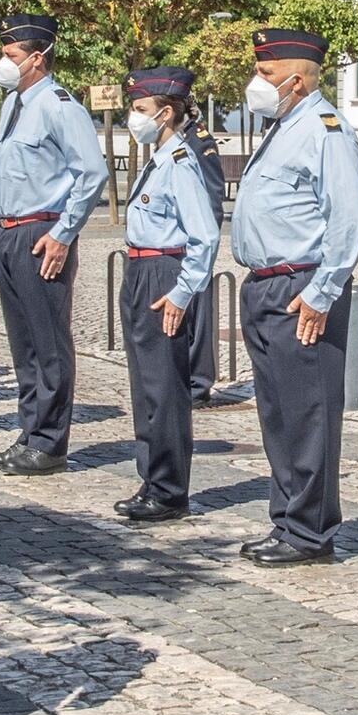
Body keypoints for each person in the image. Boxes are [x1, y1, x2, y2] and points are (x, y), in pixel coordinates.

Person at [229, 27, 358, 566]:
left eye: (264, 74)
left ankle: (310, 531)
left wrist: (323, 292)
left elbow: (350, 217)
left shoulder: (324, 129)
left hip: (300, 287)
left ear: (296, 77)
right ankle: (287, 519)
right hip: (265, 284)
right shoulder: (284, 126)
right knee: (278, 413)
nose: (255, 83)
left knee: (309, 413)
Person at [0, 14, 109, 474]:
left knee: (48, 341)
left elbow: (92, 173)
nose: (3, 63)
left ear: (37, 58)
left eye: (10, 56)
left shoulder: (59, 106)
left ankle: (51, 442)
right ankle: (30, 432)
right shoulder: (13, 105)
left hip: (41, 233)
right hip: (8, 231)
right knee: (23, 344)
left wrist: (64, 233)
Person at [113, 67, 223, 523]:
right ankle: (152, 478)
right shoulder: (159, 159)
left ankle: (169, 488)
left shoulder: (180, 162)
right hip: (140, 268)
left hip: (163, 272)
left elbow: (205, 236)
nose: (131, 118)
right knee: (145, 385)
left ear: (164, 113)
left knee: (164, 386)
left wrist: (182, 292)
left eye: (138, 110)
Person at [178, 109, 228, 404]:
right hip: (175, 246)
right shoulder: (175, 140)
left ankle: (198, 383)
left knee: (197, 317)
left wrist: (202, 246)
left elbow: (212, 197)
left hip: (193, 245)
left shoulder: (199, 142)